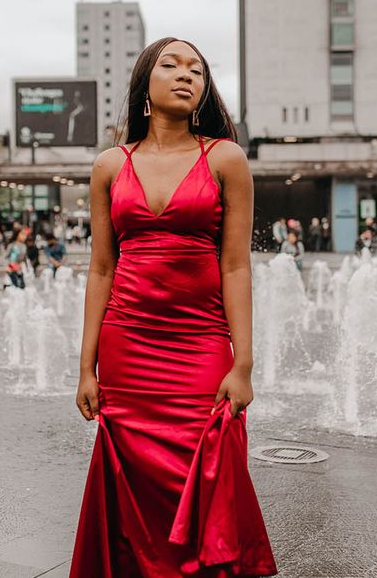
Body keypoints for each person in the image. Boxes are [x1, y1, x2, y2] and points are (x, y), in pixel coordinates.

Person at [70, 38, 277, 576]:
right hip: (128, 351)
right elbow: (100, 269)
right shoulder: (110, 165)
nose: (187, 75)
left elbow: (236, 265)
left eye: (198, 70)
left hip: (201, 348)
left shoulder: (225, 158)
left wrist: (243, 362)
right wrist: (85, 368)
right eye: (172, 65)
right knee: (133, 495)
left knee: (210, 472)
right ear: (146, 85)